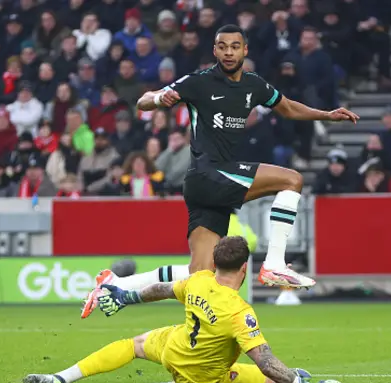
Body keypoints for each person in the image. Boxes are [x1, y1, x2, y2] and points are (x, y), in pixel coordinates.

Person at [81, 24, 359, 318]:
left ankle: (118, 286)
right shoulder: (199, 81)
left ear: (245, 50)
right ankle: (275, 262)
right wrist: (158, 99)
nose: (228, 52)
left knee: (199, 276)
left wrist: (326, 115)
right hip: (208, 173)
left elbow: (288, 108)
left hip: (205, 187)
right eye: (222, 46)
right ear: (215, 50)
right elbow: (143, 100)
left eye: (234, 46)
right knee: (292, 180)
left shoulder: (254, 85)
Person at [25, 237, 344, 383]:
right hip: (202, 378)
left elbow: (160, 289)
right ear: (244, 269)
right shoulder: (240, 311)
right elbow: (264, 360)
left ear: (216, 264)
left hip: (173, 349)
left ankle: (60, 378)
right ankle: (296, 379)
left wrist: (126, 297)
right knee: (246, 374)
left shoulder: (199, 279)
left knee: (133, 344)